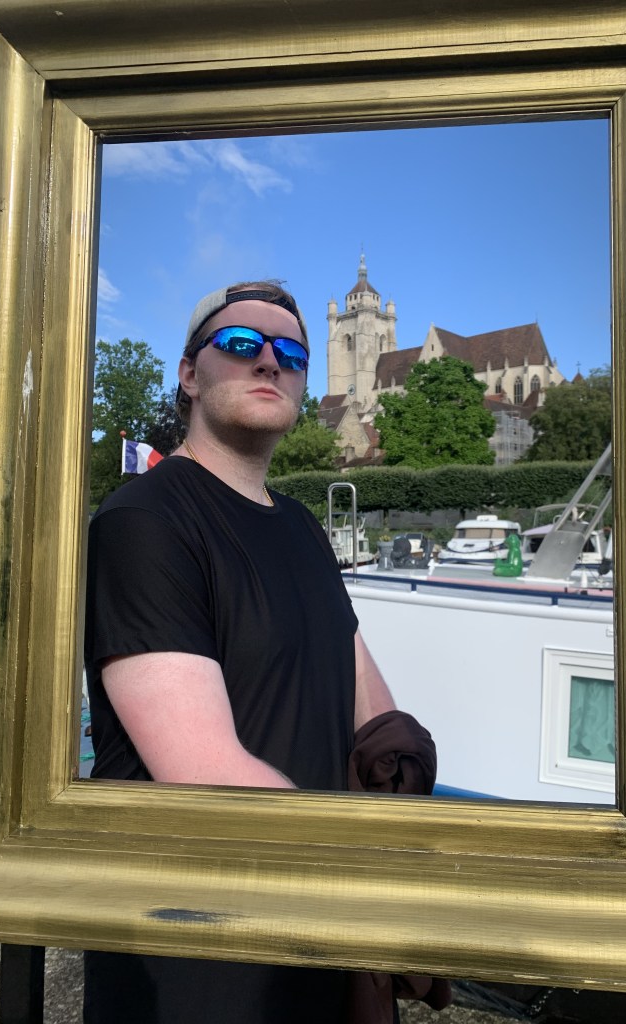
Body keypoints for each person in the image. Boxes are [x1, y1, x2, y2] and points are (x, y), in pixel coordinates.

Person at [83, 280, 416, 1024]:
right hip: (201, 962)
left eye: (292, 353)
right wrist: (374, 893)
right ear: (189, 374)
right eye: (241, 344)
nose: (270, 360)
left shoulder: (302, 526)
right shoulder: (144, 519)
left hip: (312, 931)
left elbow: (370, 706)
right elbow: (206, 773)